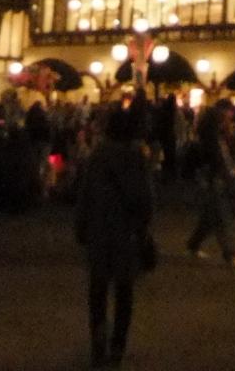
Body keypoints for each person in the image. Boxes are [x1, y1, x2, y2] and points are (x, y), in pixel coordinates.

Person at [75, 105, 154, 367]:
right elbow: (145, 198)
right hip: (126, 232)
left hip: (99, 229)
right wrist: (144, 228)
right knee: (124, 291)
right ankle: (118, 345)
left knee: (98, 289)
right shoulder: (136, 158)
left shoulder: (98, 156)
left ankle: (99, 340)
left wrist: (81, 225)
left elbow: (85, 194)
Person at [186, 102, 235, 266]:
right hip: (214, 179)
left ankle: (194, 243)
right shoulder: (210, 136)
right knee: (222, 216)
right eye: (227, 117)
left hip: (216, 178)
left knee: (210, 217)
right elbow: (217, 159)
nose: (229, 121)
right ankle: (230, 253)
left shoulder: (216, 134)